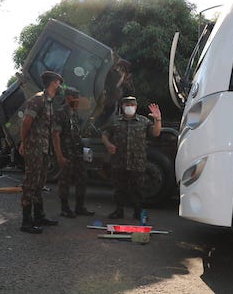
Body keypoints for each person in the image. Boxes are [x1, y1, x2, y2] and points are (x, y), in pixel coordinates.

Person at [101, 96, 162, 219]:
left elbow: (156, 133)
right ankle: (119, 211)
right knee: (119, 188)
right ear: (122, 107)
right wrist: (108, 145)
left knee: (138, 189)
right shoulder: (115, 121)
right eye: (127, 105)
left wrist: (158, 120)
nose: (130, 107)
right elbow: (104, 134)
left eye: (132, 105)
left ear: (136, 106)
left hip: (137, 161)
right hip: (119, 161)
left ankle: (138, 212)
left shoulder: (143, 121)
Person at [18, 71, 62, 234]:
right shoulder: (37, 100)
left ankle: (39, 216)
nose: (60, 86)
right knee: (30, 183)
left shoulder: (49, 102)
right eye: (59, 83)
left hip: (44, 149)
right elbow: (26, 124)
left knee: (40, 183)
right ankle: (26, 221)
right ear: (52, 83)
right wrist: (24, 142)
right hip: (34, 148)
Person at [52, 87, 95, 218]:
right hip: (66, 153)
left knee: (82, 179)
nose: (76, 100)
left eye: (77, 98)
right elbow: (55, 135)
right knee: (65, 181)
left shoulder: (75, 113)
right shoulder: (60, 113)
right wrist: (59, 156)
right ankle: (64, 208)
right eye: (74, 98)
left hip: (77, 153)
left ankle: (79, 207)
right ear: (67, 98)